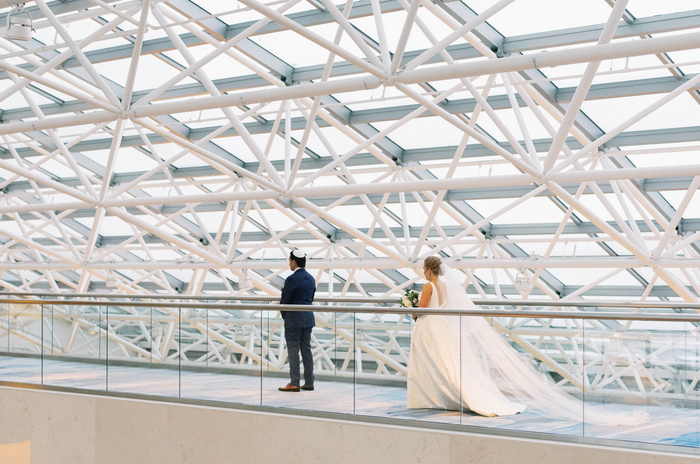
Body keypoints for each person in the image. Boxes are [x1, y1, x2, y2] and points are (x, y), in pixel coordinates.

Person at [407, 256, 649, 426]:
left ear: (428, 270)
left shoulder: (429, 286)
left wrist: (410, 309)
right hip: (443, 327)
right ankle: (453, 395)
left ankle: (440, 396)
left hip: (430, 327)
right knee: (449, 362)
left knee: (436, 363)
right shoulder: (447, 286)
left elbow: (424, 308)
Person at [278, 250, 316, 392]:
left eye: (289, 260)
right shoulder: (311, 278)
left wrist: (285, 315)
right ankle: (309, 382)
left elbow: (285, 301)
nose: (289, 262)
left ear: (294, 262)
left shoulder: (291, 279)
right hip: (307, 318)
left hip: (293, 319)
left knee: (293, 349)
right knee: (306, 350)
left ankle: (294, 382)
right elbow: (310, 298)